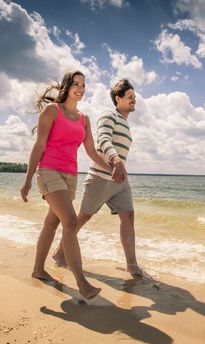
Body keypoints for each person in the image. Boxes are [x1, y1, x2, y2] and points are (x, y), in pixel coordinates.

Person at [20, 70, 110, 300]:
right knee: (70, 221)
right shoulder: (52, 111)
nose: (80, 88)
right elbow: (39, 145)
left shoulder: (84, 119)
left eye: (83, 85)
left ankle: (38, 269)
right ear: (67, 86)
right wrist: (28, 179)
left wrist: (111, 167)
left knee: (51, 223)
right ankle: (82, 283)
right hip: (49, 171)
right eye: (76, 84)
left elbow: (91, 151)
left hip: (71, 176)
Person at [53, 79, 145, 277]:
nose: (133, 100)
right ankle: (60, 252)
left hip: (120, 179)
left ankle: (132, 265)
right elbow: (102, 140)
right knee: (83, 217)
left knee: (128, 216)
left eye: (134, 97)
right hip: (100, 178)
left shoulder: (126, 124)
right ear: (117, 99)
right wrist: (115, 159)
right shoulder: (108, 115)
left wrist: (120, 166)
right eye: (130, 97)